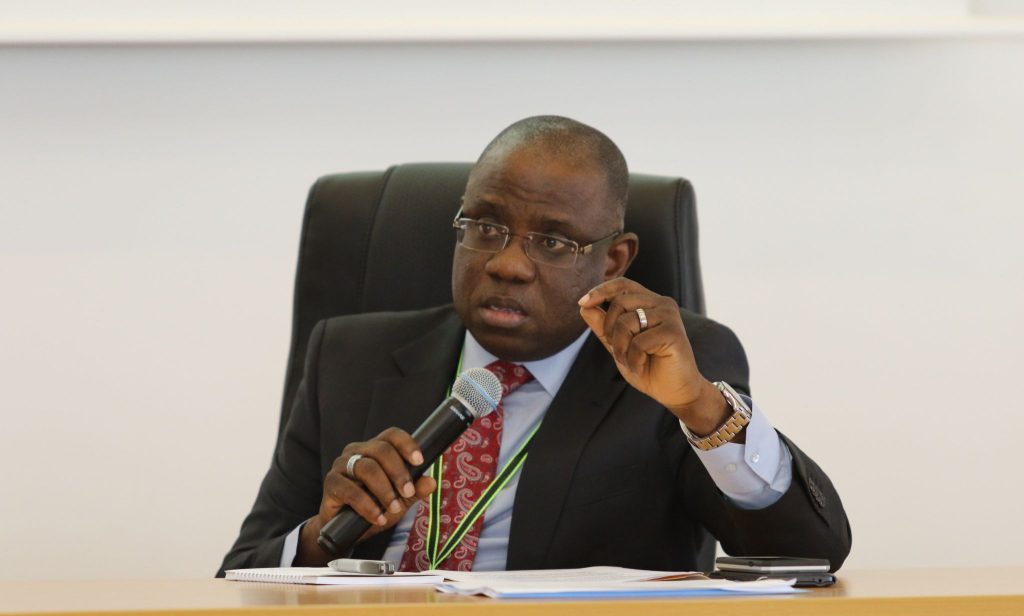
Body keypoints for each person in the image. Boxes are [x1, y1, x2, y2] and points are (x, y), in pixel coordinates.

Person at [218, 115, 851, 576]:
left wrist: (701, 409)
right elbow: (239, 576)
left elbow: (809, 555)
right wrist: (321, 535)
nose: (508, 265)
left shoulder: (675, 371)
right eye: (486, 227)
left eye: (552, 242)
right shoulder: (348, 356)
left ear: (613, 262)